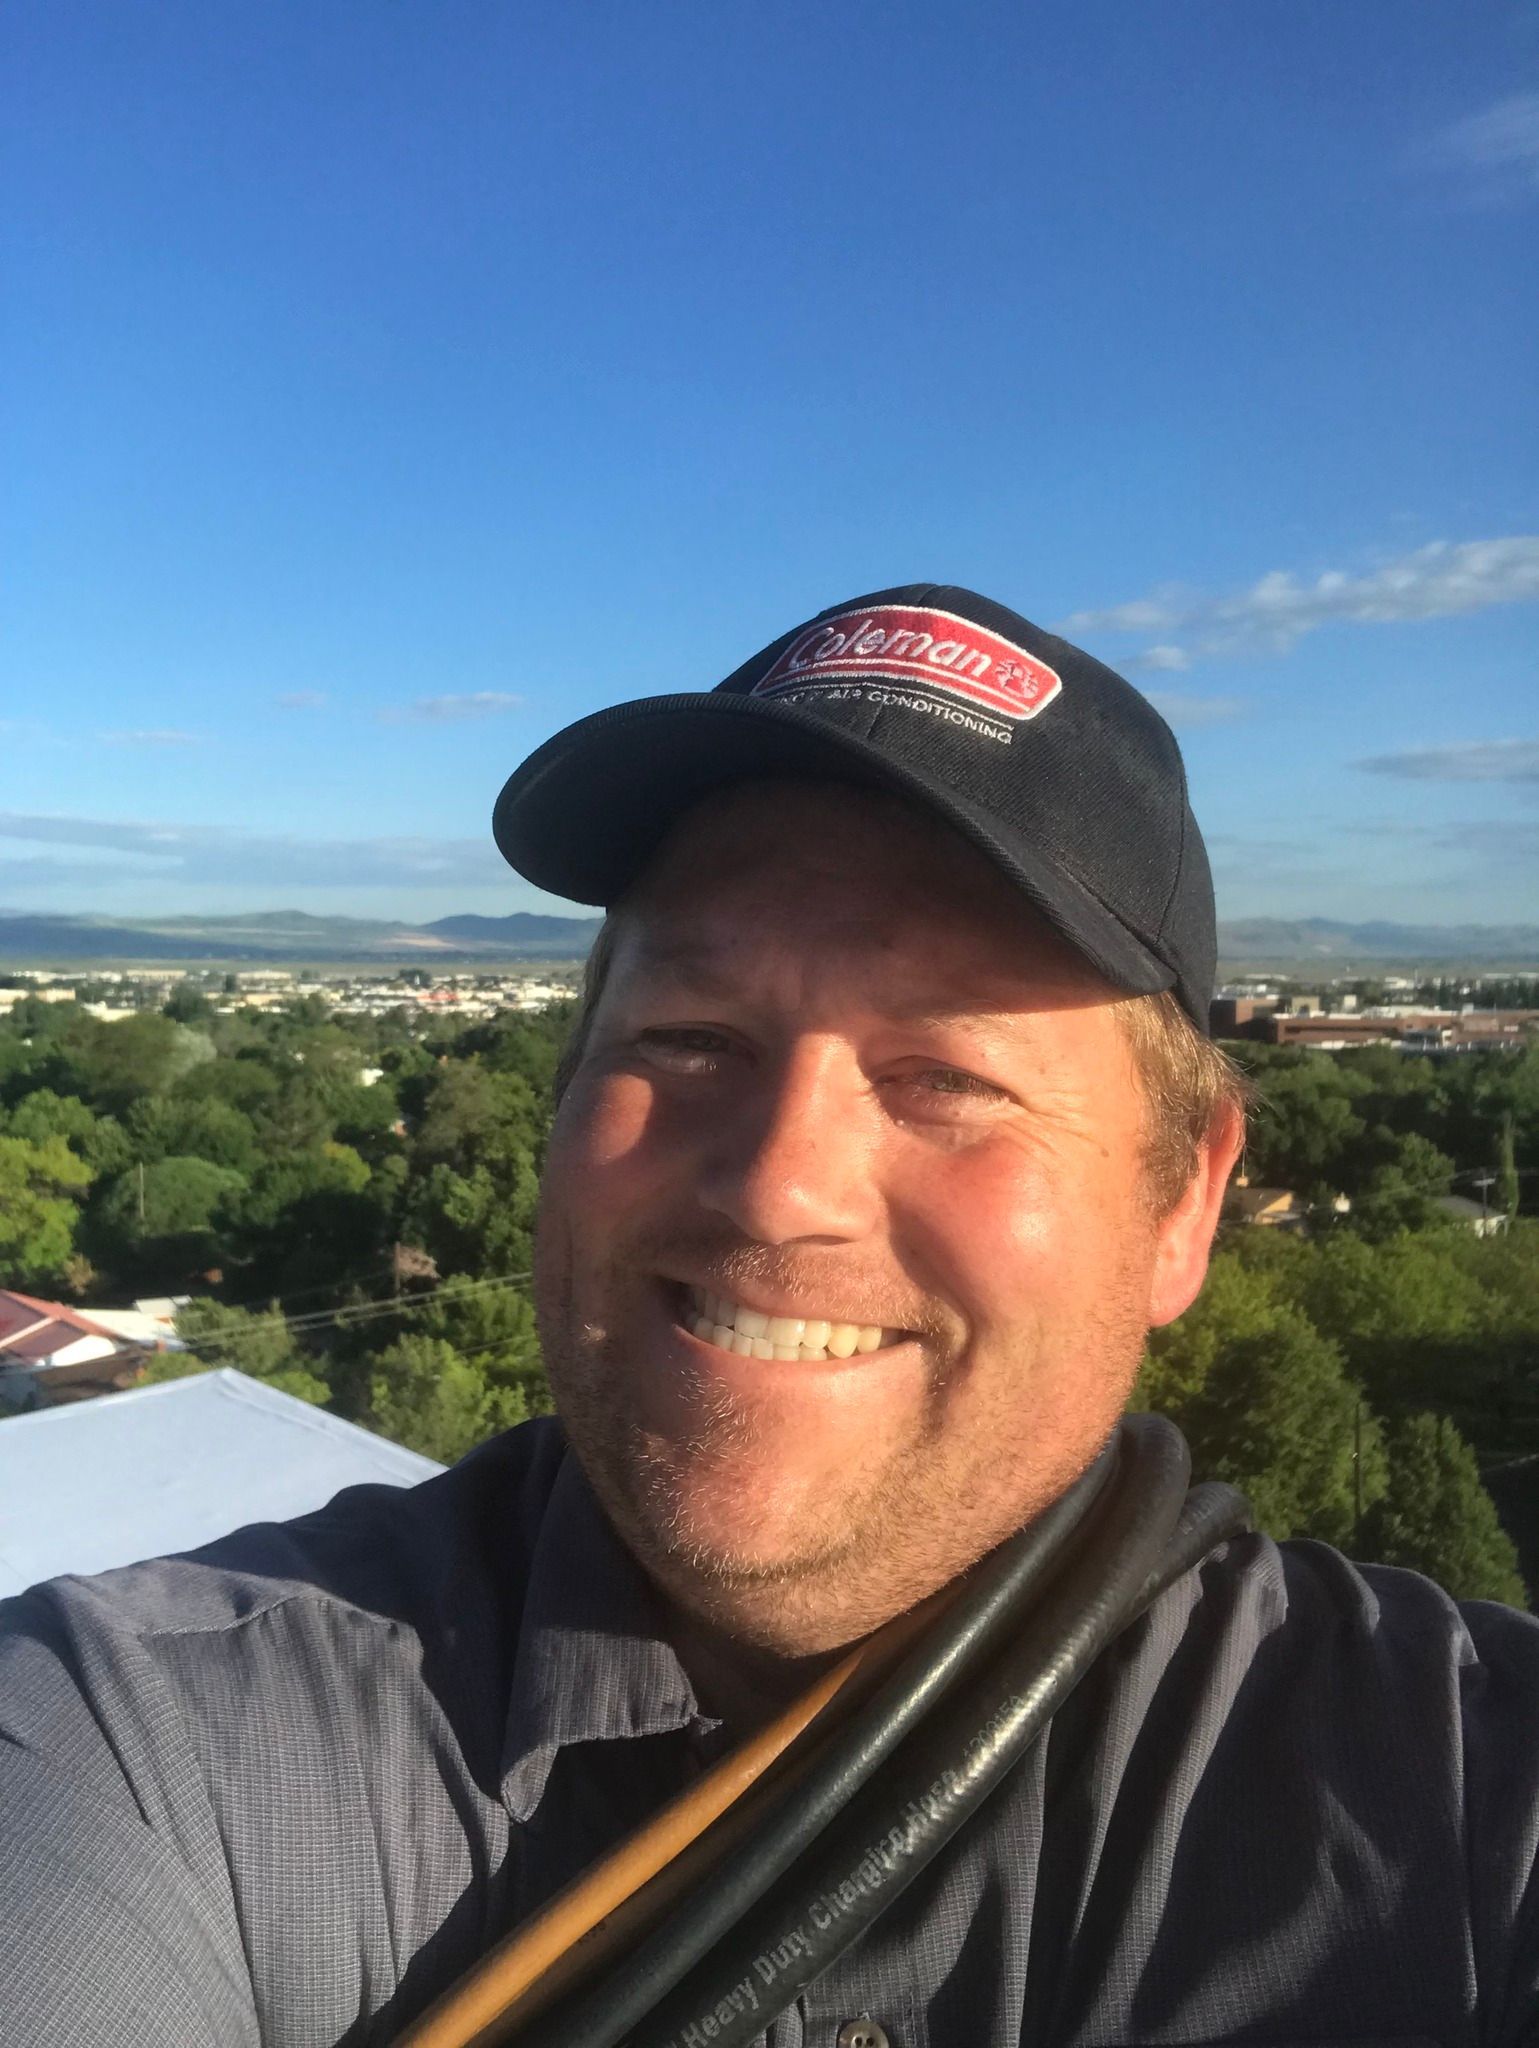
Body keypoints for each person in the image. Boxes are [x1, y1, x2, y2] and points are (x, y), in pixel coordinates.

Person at [1, 584, 1534, 2047]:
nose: (776, 1187)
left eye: (948, 1074)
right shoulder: (147, 1742)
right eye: (688, 1037)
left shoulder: (1473, 1798)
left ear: (1182, 1204)